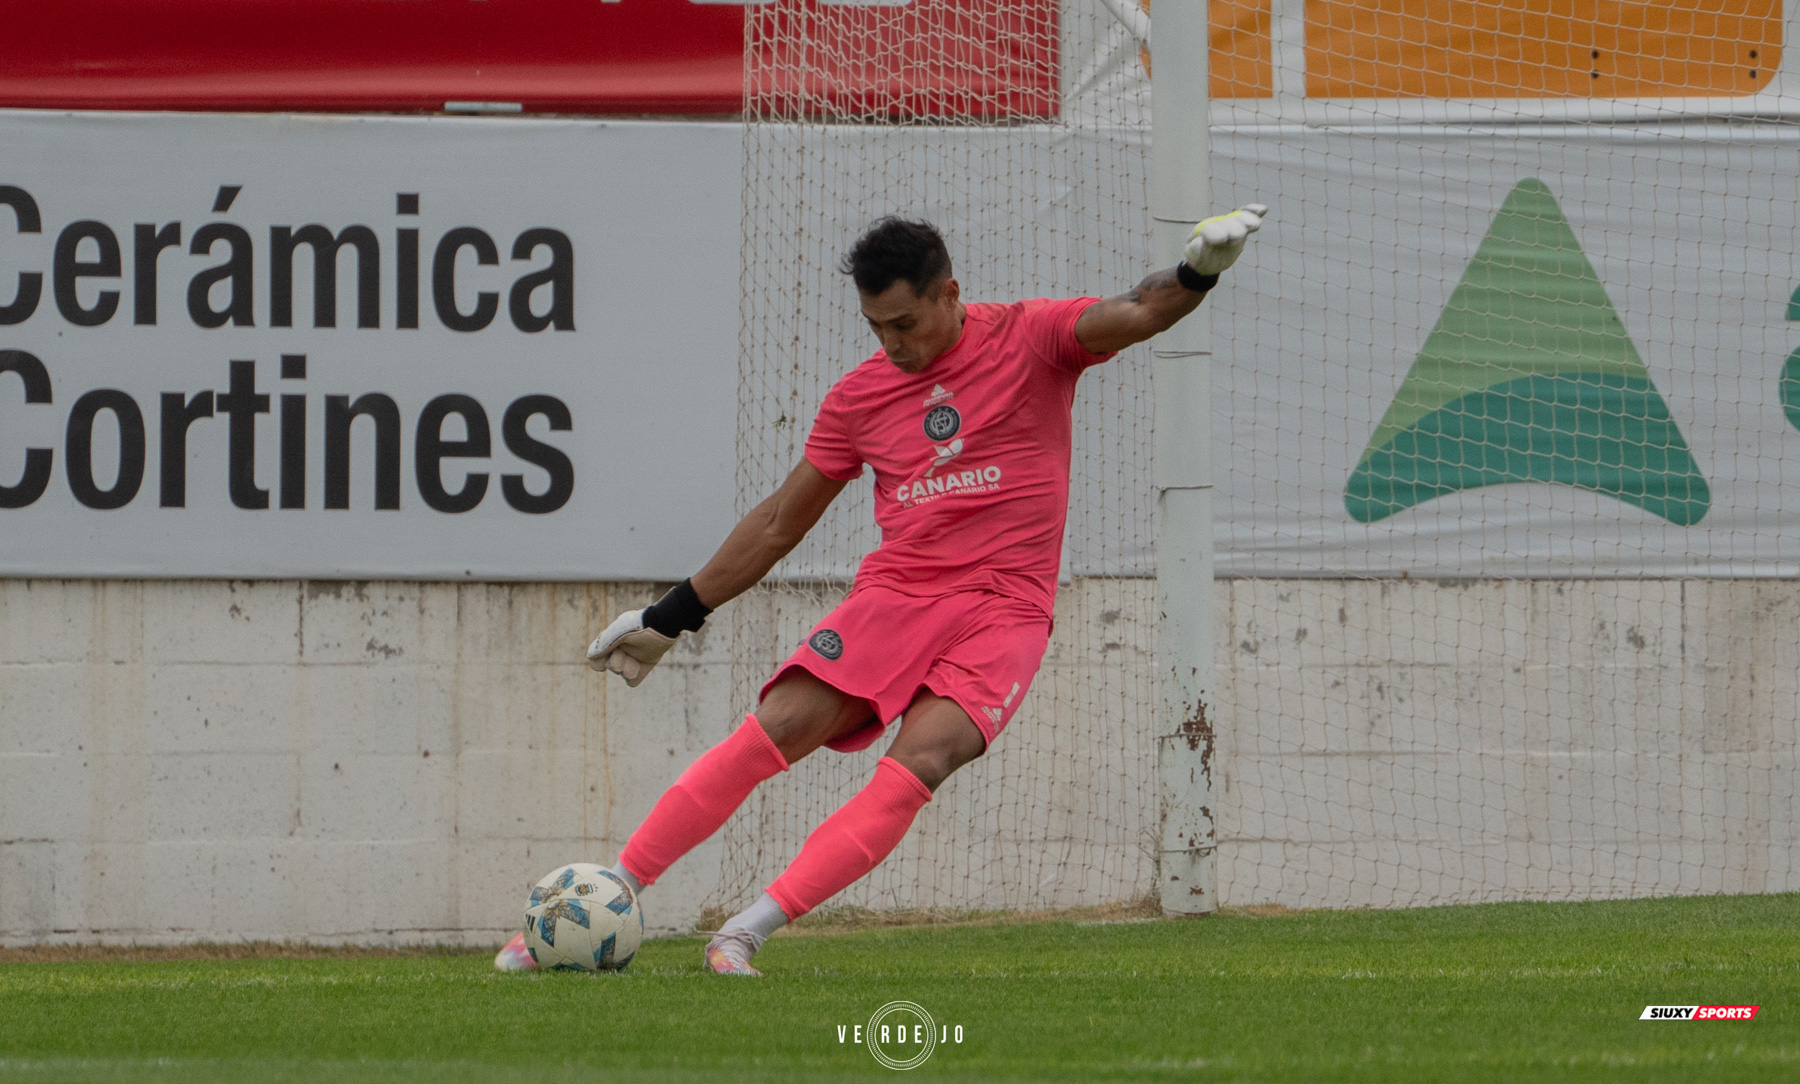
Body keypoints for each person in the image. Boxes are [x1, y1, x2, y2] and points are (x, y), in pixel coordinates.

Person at [495, 205, 1268, 975]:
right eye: (875, 327)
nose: (892, 344)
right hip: (897, 596)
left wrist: (1197, 271)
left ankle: (743, 935)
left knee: (922, 761)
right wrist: (671, 617)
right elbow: (775, 524)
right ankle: (599, 905)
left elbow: (1137, 310)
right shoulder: (860, 398)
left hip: (1005, 610)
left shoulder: (1032, 336)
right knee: (775, 727)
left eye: (903, 323)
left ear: (949, 293)